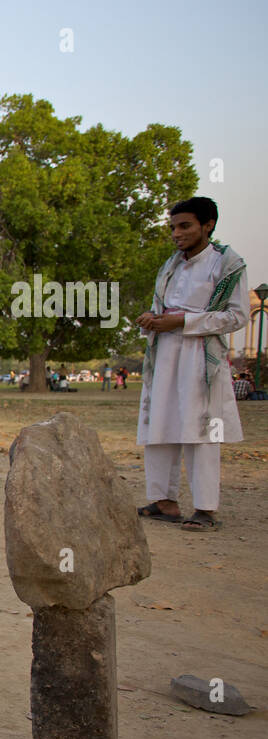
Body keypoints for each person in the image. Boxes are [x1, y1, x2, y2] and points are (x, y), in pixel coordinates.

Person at [135, 197, 249, 532]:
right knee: (159, 424)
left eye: (184, 226)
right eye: (173, 227)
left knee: (201, 431)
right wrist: (154, 319)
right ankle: (163, 501)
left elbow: (237, 316)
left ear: (208, 225)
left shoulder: (226, 264)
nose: (176, 233)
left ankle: (205, 508)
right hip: (164, 354)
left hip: (201, 358)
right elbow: (165, 308)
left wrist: (183, 322)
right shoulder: (171, 265)